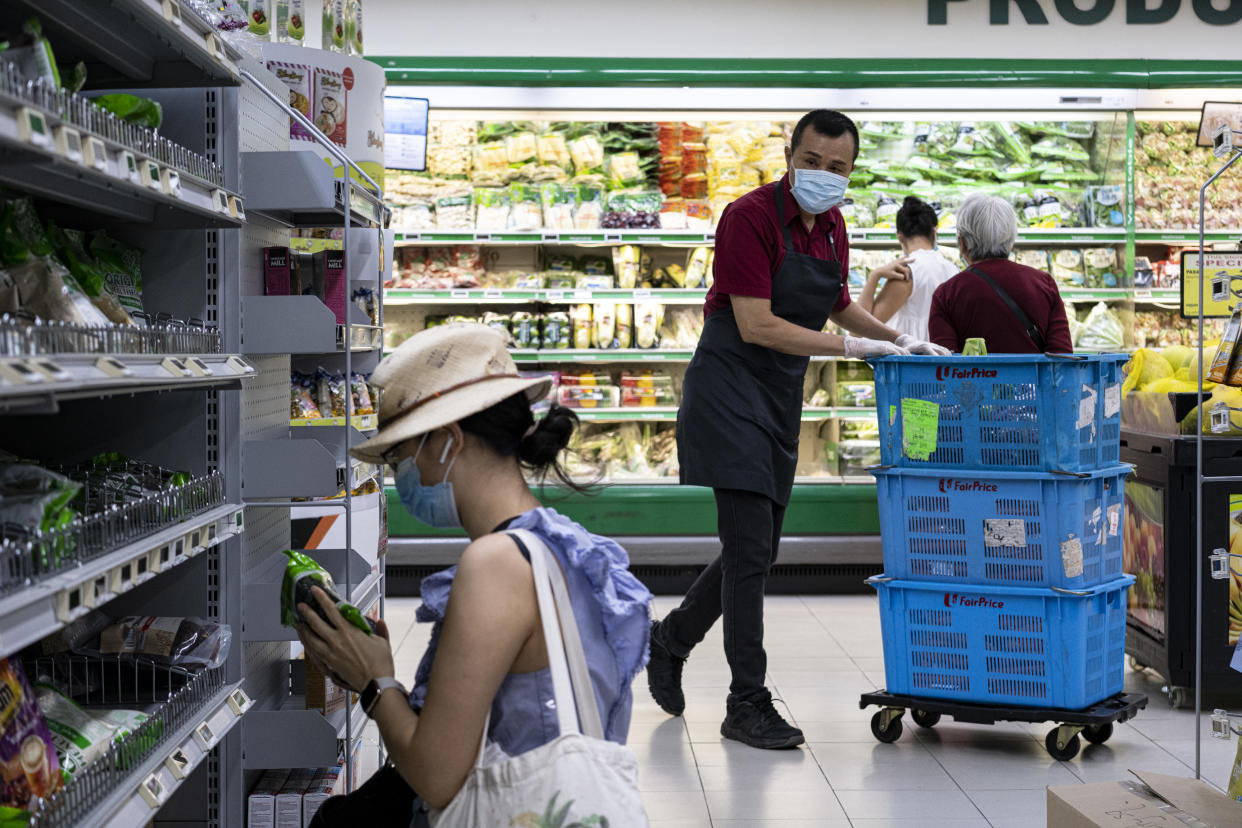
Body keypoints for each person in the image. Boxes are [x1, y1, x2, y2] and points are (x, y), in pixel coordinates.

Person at [646, 109, 950, 751]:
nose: (822, 175)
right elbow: (755, 324)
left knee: (753, 550)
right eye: (811, 161)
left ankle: (671, 639)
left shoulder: (833, 225)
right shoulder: (749, 217)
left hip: (780, 396)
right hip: (730, 390)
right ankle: (745, 702)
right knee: (752, 552)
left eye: (837, 168)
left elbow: (836, 302)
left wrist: (898, 339)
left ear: (851, 171)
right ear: (791, 155)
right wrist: (851, 350)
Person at [296, 322, 652, 827]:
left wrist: (372, 683)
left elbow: (437, 776)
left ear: (446, 441)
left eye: (400, 456)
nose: (401, 477)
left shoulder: (495, 563)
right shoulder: (556, 543)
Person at [928, 193, 1073, 353]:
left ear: (962, 244)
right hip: (1033, 379)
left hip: (972, 379)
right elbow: (1062, 359)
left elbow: (944, 366)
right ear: (1011, 242)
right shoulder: (1044, 284)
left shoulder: (946, 295)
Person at [858, 196, 959, 341]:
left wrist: (875, 275)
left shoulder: (906, 272)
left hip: (907, 360)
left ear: (899, 237)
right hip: (945, 359)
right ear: (935, 232)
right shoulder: (954, 270)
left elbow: (860, 331)